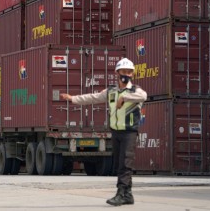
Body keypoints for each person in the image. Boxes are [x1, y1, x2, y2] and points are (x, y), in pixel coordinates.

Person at [60, 58, 147, 206]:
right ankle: (128, 194)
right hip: (115, 132)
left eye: (129, 72)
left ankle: (121, 194)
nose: (127, 74)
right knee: (120, 163)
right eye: (124, 72)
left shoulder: (135, 91)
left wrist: (124, 97)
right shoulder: (111, 91)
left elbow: (144, 96)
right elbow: (92, 98)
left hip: (129, 132)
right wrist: (72, 98)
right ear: (117, 73)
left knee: (125, 163)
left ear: (133, 74)